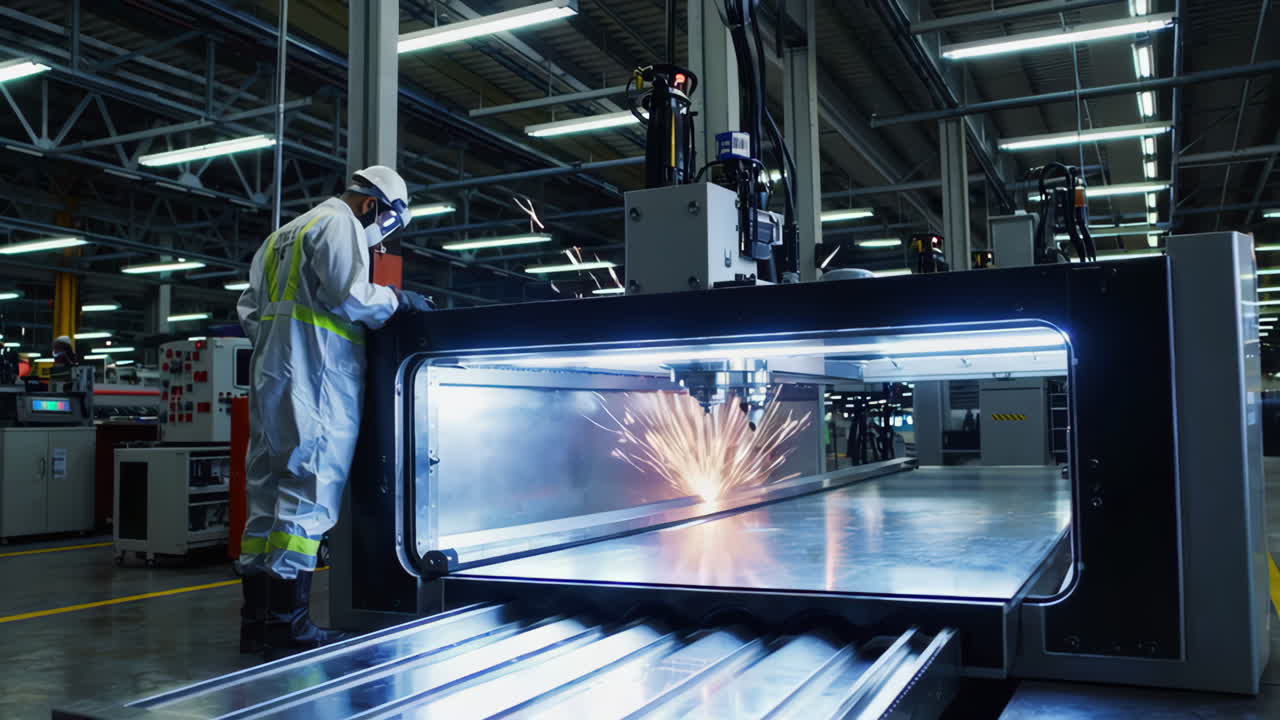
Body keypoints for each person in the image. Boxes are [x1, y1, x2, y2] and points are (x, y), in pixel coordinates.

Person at [235, 165, 434, 654]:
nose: (380, 239)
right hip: (317, 380)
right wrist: (400, 300)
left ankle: (257, 623)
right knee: (307, 495)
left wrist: (281, 347)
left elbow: (247, 309)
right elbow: (348, 297)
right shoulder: (340, 223)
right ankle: (289, 625)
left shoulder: (283, 234)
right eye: (385, 226)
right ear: (372, 205)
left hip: (272, 379)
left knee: (265, 498)